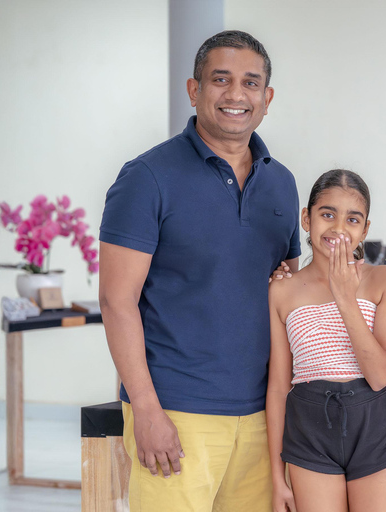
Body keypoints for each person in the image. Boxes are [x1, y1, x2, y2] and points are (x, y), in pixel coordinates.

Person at [98, 30, 300, 511]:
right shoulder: (147, 177)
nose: (236, 94)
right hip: (175, 411)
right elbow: (116, 300)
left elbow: (286, 294)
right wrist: (146, 408)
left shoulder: (282, 183)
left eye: (251, 83)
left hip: (262, 417)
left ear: (267, 98)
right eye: (220, 79)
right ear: (194, 89)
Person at [267, 169, 386, 512]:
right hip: (309, 428)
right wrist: (276, 477)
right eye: (327, 214)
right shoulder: (282, 291)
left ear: (365, 229)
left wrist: (344, 297)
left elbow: (379, 376)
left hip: (372, 422)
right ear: (306, 218)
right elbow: (278, 387)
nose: (339, 228)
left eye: (352, 219)